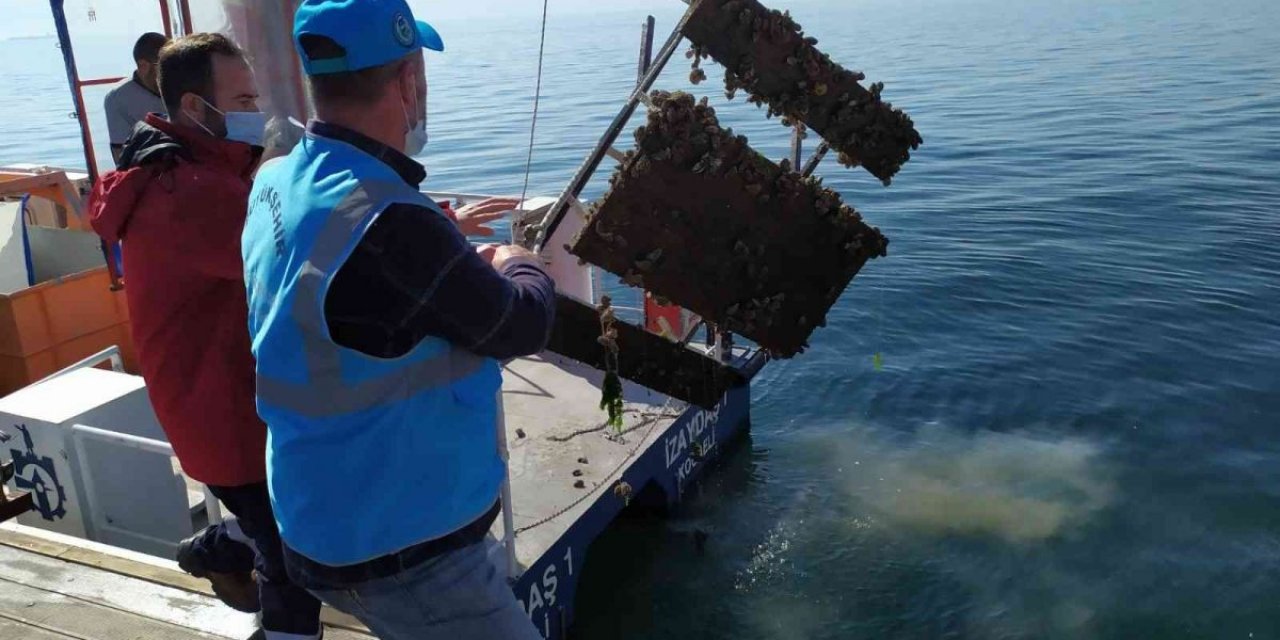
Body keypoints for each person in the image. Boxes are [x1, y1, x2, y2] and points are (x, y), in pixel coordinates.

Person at [241, 0, 555, 638]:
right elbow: (519, 325)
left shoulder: (275, 179)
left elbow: (358, 292)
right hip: (406, 554)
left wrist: (442, 239)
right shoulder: (393, 226)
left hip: (314, 516)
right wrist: (521, 262)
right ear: (410, 83)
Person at [86, 33, 323, 640]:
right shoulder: (190, 195)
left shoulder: (198, 169)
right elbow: (298, 262)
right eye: (243, 98)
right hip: (222, 407)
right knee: (293, 561)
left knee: (275, 515)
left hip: (221, 396)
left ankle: (215, 550)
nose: (258, 112)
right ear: (196, 108)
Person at [104, 32, 169, 166]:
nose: (171, 73)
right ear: (143, 66)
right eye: (164, 67)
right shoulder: (117, 99)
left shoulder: (183, 84)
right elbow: (121, 157)